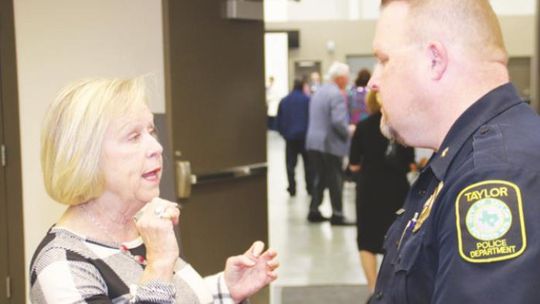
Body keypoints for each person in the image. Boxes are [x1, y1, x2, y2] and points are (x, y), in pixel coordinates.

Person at [30, 78, 279, 303]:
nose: (156, 147)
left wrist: (225, 288)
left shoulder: (139, 228)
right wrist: (159, 263)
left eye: (151, 131)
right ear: (85, 156)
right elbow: (154, 289)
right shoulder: (60, 264)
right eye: (133, 136)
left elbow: (173, 297)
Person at [367, 0, 540, 303]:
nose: (373, 82)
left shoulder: (494, 173)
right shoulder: (459, 156)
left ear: (435, 60)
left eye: (384, 60)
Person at [348, 90, 414, 297]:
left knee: (367, 240)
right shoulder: (401, 128)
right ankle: (391, 290)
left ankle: (373, 290)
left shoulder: (363, 126)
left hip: (369, 189)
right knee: (396, 238)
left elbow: (354, 164)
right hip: (397, 190)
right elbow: (410, 163)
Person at [305, 61, 356, 226]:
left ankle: (314, 210)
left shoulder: (319, 91)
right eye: (347, 78)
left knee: (320, 177)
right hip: (329, 144)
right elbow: (338, 122)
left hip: (313, 142)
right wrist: (349, 131)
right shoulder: (336, 95)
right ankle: (337, 214)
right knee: (335, 179)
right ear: (340, 78)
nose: (348, 81)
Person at [276, 78, 313, 196]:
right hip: (304, 138)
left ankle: (292, 188)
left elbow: (279, 120)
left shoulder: (285, 100)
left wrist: (284, 133)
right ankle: (310, 188)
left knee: (290, 164)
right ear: (302, 86)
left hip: (290, 138)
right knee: (308, 164)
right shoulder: (307, 100)